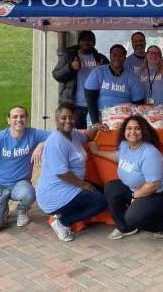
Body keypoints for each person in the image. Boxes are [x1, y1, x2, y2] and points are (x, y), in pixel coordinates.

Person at [89, 115, 163, 239]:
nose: (132, 132)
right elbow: (119, 157)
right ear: (124, 131)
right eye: (129, 128)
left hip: (157, 193)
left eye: (137, 129)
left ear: (143, 131)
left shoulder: (150, 154)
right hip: (135, 188)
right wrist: (98, 152)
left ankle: (160, 223)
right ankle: (125, 228)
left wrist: (135, 196)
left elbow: (153, 184)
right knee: (111, 188)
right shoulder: (125, 145)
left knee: (132, 217)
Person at [36, 102, 108, 242]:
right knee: (101, 202)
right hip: (54, 194)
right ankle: (63, 222)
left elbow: (87, 136)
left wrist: (96, 127)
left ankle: (64, 215)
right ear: (57, 120)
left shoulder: (73, 134)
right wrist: (83, 185)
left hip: (71, 185)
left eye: (71, 117)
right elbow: (62, 173)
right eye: (63, 118)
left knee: (106, 191)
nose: (68, 121)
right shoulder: (55, 142)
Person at [0, 106, 50, 233]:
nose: (19, 119)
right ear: (8, 120)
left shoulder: (33, 134)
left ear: (27, 119)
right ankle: (2, 209)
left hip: (20, 184)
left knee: (29, 194)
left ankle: (23, 210)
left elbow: (56, 136)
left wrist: (41, 145)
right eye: (15, 117)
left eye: (22, 116)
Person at [52, 30, 109, 129]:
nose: (86, 42)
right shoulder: (69, 56)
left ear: (94, 42)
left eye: (90, 40)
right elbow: (56, 75)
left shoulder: (101, 58)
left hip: (94, 106)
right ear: (79, 42)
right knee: (70, 135)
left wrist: (102, 71)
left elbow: (112, 77)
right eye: (83, 40)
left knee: (92, 138)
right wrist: (70, 67)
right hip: (73, 105)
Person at [84, 44, 145, 124]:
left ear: (125, 57)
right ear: (110, 56)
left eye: (120, 55)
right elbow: (90, 99)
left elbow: (138, 103)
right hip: (99, 118)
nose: (117, 58)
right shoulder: (98, 72)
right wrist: (96, 123)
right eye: (114, 55)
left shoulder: (132, 77)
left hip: (123, 121)